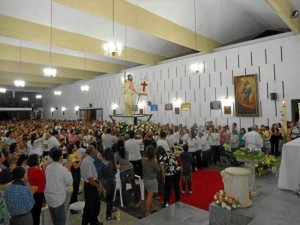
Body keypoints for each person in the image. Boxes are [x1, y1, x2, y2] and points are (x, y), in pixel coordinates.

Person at [44, 148, 73, 225]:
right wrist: (68, 168)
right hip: (58, 199)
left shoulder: (48, 167)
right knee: (61, 221)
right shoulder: (63, 169)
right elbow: (70, 182)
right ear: (61, 157)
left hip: (49, 198)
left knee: (54, 220)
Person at [80, 145, 103, 225]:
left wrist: (98, 182)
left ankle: (94, 220)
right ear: (92, 152)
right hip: (90, 185)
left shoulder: (88, 160)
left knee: (96, 204)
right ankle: (85, 222)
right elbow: (90, 179)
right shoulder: (88, 162)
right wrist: (98, 185)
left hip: (91, 184)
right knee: (90, 206)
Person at [27, 154, 47, 225]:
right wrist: (44, 170)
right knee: (37, 213)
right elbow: (45, 180)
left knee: (34, 212)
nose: (40, 160)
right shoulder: (37, 171)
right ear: (36, 161)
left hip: (33, 192)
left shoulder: (30, 169)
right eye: (39, 159)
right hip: (39, 193)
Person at [142, 145, 160, 216]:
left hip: (145, 179)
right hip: (151, 180)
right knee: (149, 196)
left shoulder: (143, 159)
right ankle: (147, 211)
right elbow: (158, 170)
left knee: (150, 195)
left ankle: (151, 207)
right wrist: (156, 160)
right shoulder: (153, 161)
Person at [101, 147, 118, 220]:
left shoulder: (103, 161)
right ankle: (108, 215)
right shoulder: (110, 163)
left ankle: (110, 209)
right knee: (109, 199)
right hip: (110, 182)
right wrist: (116, 169)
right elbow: (112, 174)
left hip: (105, 181)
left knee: (109, 198)